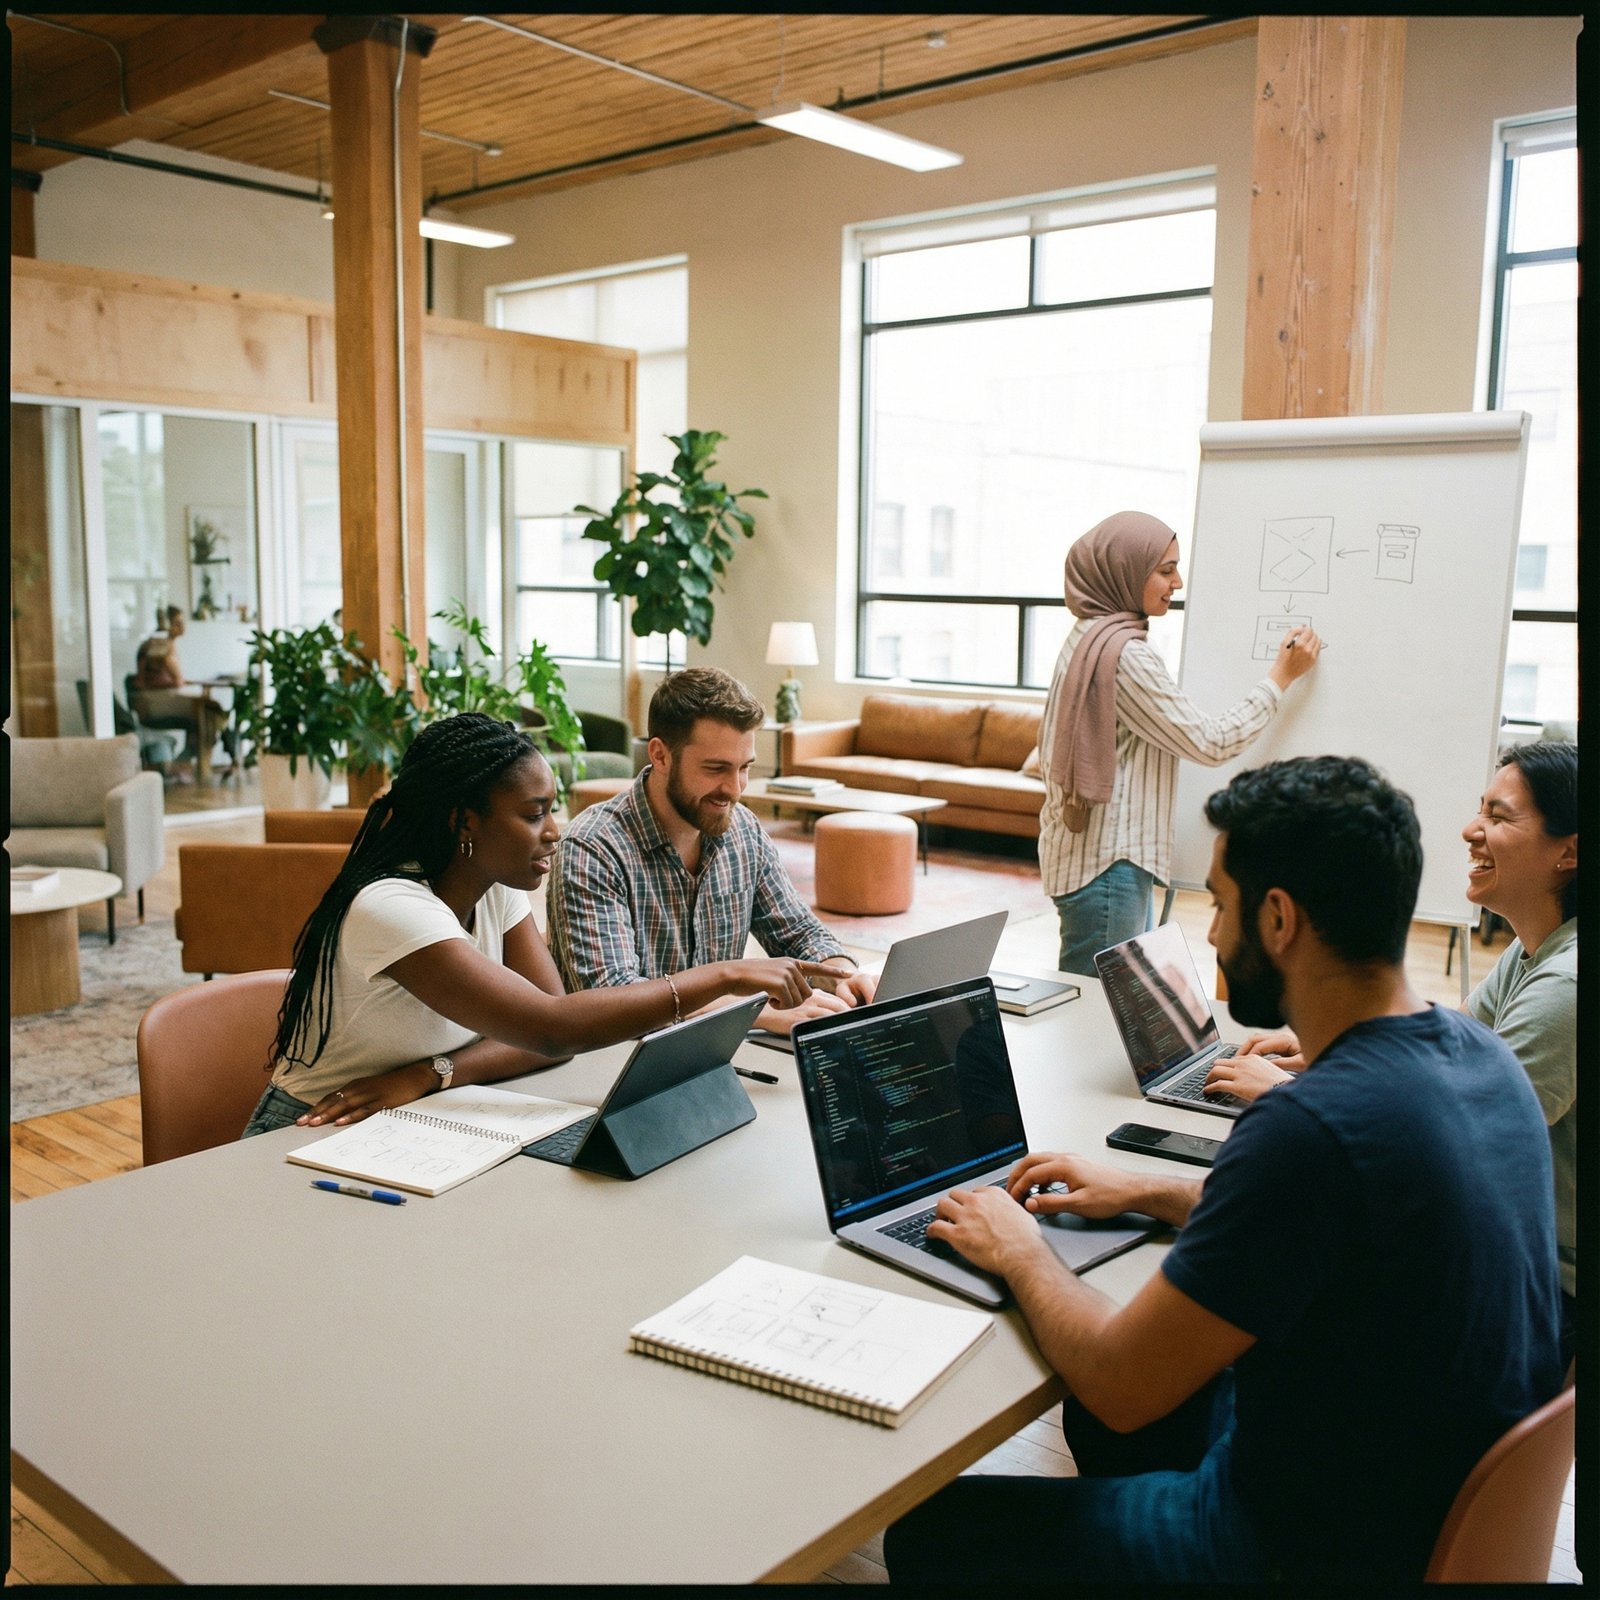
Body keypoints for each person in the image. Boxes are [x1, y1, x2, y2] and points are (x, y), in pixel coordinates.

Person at [883, 756, 1562, 1585]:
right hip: (1423, 1503)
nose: (1210, 932)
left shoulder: (1306, 1125)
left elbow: (1122, 1380)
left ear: (1279, 919)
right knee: (1113, 1434)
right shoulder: (1483, 1058)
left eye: (1222, 903)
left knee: (933, 1531)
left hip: (1307, 1553)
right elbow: (1352, 1214)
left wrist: (1020, 1246)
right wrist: (1153, 1190)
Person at [241, 712, 828, 1137]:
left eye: (554, 808)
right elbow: (552, 1029)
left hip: (422, 1113)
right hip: (317, 1125)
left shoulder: (493, 889)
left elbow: (546, 1044)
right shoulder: (391, 907)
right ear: (463, 821)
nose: (555, 830)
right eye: (533, 814)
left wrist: (430, 1074)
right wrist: (727, 974)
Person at [1207, 739, 1578, 1366]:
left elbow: (1459, 1128)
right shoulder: (1535, 947)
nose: (1470, 829)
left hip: (1537, 1288)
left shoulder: (1569, 982)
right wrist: (1329, 1035)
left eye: (1498, 815)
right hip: (1497, 1257)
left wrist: (1293, 1099)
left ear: (1570, 849)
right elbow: (1448, 1043)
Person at [1040, 510, 1321, 974]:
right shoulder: (1125, 654)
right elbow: (1211, 742)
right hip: (1110, 865)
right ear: (1126, 570)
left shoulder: (1090, 633)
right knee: (1098, 1018)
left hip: (1093, 858)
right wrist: (1281, 677)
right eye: (1165, 570)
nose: (1179, 582)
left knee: (1111, 1013)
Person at [547, 667, 875, 1035]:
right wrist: (756, 1012)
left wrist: (845, 975)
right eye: (716, 768)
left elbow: (797, 932)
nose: (734, 789)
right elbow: (608, 995)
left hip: (717, 1052)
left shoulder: (743, 829)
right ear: (660, 755)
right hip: (612, 1062)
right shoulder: (593, 847)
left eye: (744, 768)